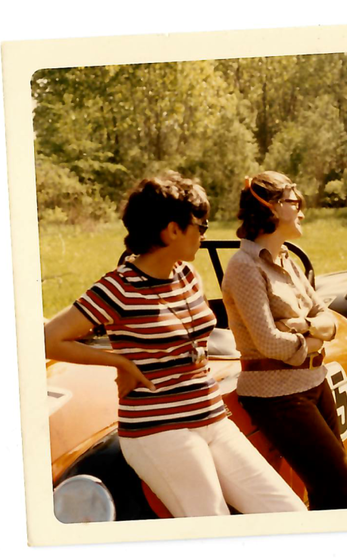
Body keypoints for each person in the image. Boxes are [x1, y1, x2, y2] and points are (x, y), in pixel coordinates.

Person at [44, 171, 306, 517]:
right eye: (202, 225)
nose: (204, 234)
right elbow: (50, 340)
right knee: (213, 525)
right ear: (172, 230)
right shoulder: (119, 287)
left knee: (286, 512)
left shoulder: (187, 274)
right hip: (159, 430)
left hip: (211, 417)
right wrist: (120, 362)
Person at [221, 172, 347, 511]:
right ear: (269, 209)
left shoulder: (288, 260)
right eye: (293, 202)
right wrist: (312, 343)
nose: (301, 210)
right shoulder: (243, 267)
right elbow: (269, 343)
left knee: (328, 493)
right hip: (276, 395)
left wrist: (301, 325)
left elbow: (328, 320)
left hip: (314, 382)